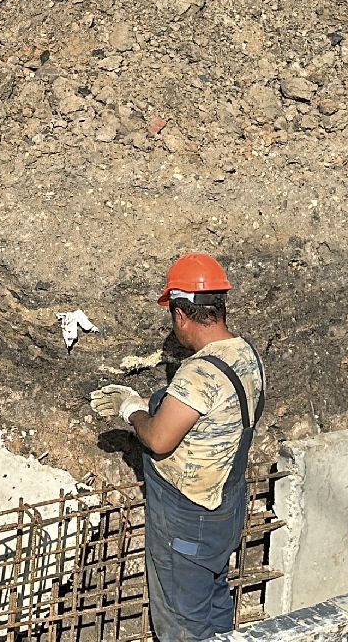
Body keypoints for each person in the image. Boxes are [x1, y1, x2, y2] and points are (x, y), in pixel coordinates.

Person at [89, 253, 265, 642]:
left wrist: (131, 409)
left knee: (184, 626)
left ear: (181, 316)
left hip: (189, 519)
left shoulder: (199, 372)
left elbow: (158, 438)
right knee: (215, 609)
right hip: (226, 507)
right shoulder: (245, 353)